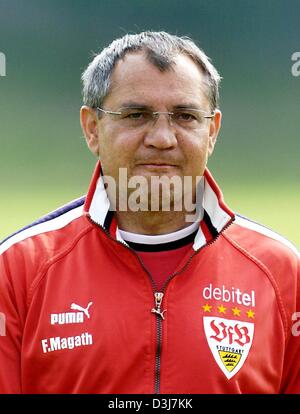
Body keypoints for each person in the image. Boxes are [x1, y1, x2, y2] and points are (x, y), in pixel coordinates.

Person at [0, 31, 299, 394]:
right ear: (92, 128)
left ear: (212, 132)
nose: (161, 137)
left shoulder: (283, 273)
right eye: (136, 115)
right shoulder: (17, 271)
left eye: (185, 116)